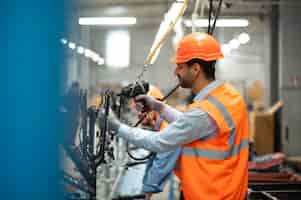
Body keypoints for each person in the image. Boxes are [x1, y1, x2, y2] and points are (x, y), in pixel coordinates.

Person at [103, 32, 249, 200]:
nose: (175, 72)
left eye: (180, 66)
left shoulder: (204, 112)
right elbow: (192, 125)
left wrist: (117, 127)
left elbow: (158, 142)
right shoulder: (229, 96)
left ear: (195, 69)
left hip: (211, 194)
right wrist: (159, 107)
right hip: (228, 191)